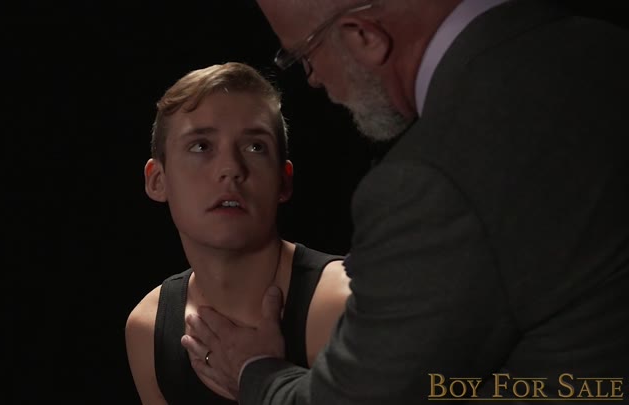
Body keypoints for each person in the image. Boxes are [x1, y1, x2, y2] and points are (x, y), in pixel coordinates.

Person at [183, 0, 629, 403]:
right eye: (201, 146)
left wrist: (256, 372)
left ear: (364, 35)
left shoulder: (430, 180)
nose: (313, 78)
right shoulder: (605, 43)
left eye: (305, 55)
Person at [124, 62, 351, 404]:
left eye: (255, 147)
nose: (231, 168)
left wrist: (263, 377)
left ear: (283, 181)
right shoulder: (148, 328)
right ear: (158, 180)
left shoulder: (344, 304)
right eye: (201, 146)